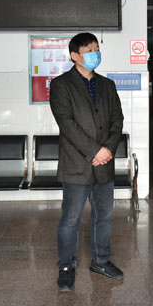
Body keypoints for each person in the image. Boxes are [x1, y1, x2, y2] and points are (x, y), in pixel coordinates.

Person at [49, 32, 124, 292]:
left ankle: (101, 261)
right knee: (70, 219)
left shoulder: (107, 85)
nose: (95, 54)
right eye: (89, 50)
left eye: (96, 48)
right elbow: (67, 124)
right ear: (74, 55)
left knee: (104, 217)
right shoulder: (61, 85)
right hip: (77, 164)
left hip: (104, 164)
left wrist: (108, 149)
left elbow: (117, 120)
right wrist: (95, 151)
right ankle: (66, 265)